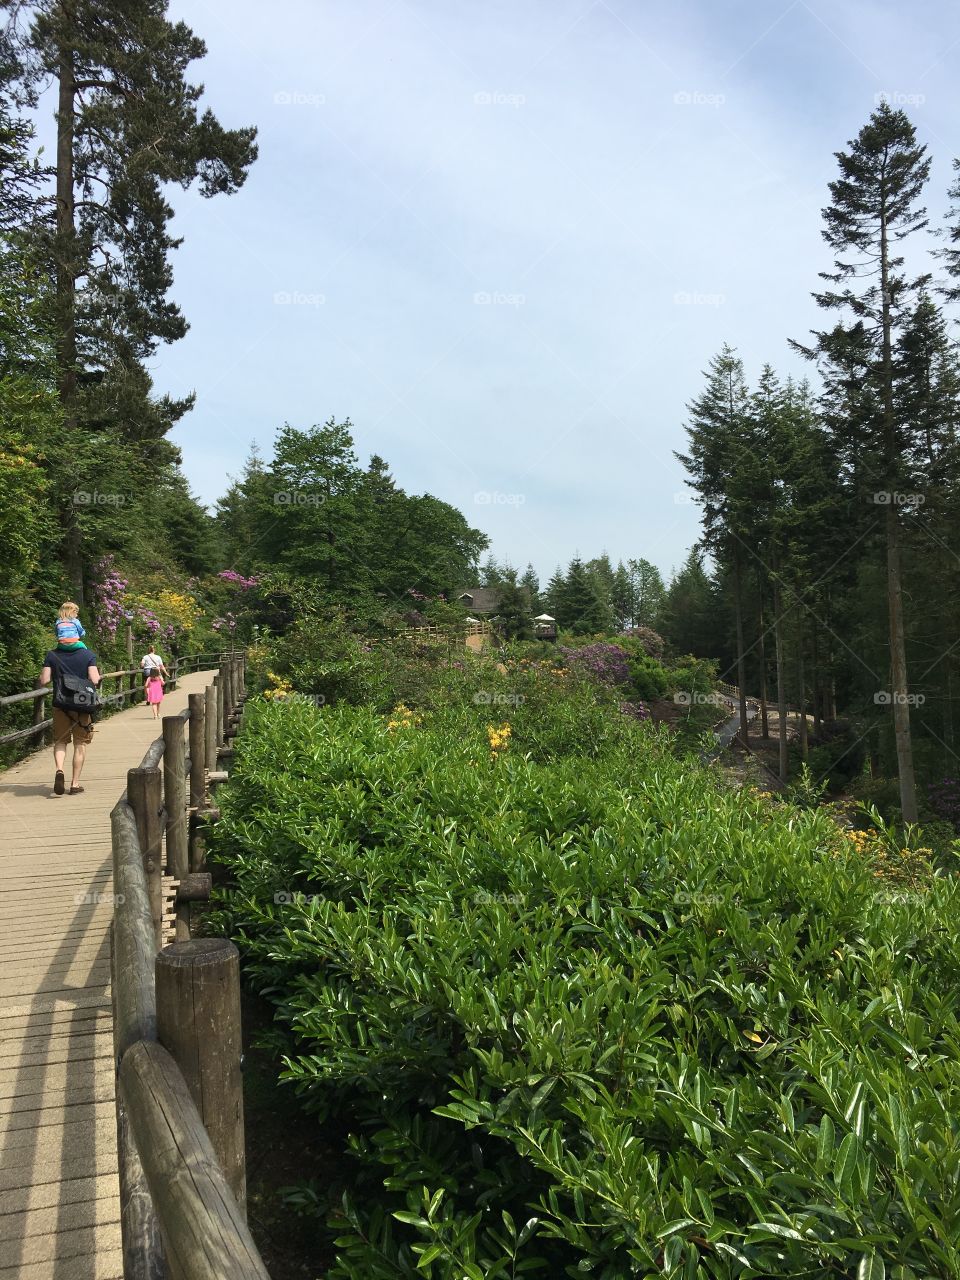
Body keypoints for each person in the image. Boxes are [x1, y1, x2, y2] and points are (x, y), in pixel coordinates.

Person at [39, 643, 101, 795]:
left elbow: (44, 680)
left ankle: (59, 770)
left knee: (60, 741)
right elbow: (95, 679)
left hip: (60, 704)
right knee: (80, 743)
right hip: (82, 703)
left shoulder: (52, 654)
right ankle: (74, 784)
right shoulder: (88, 655)